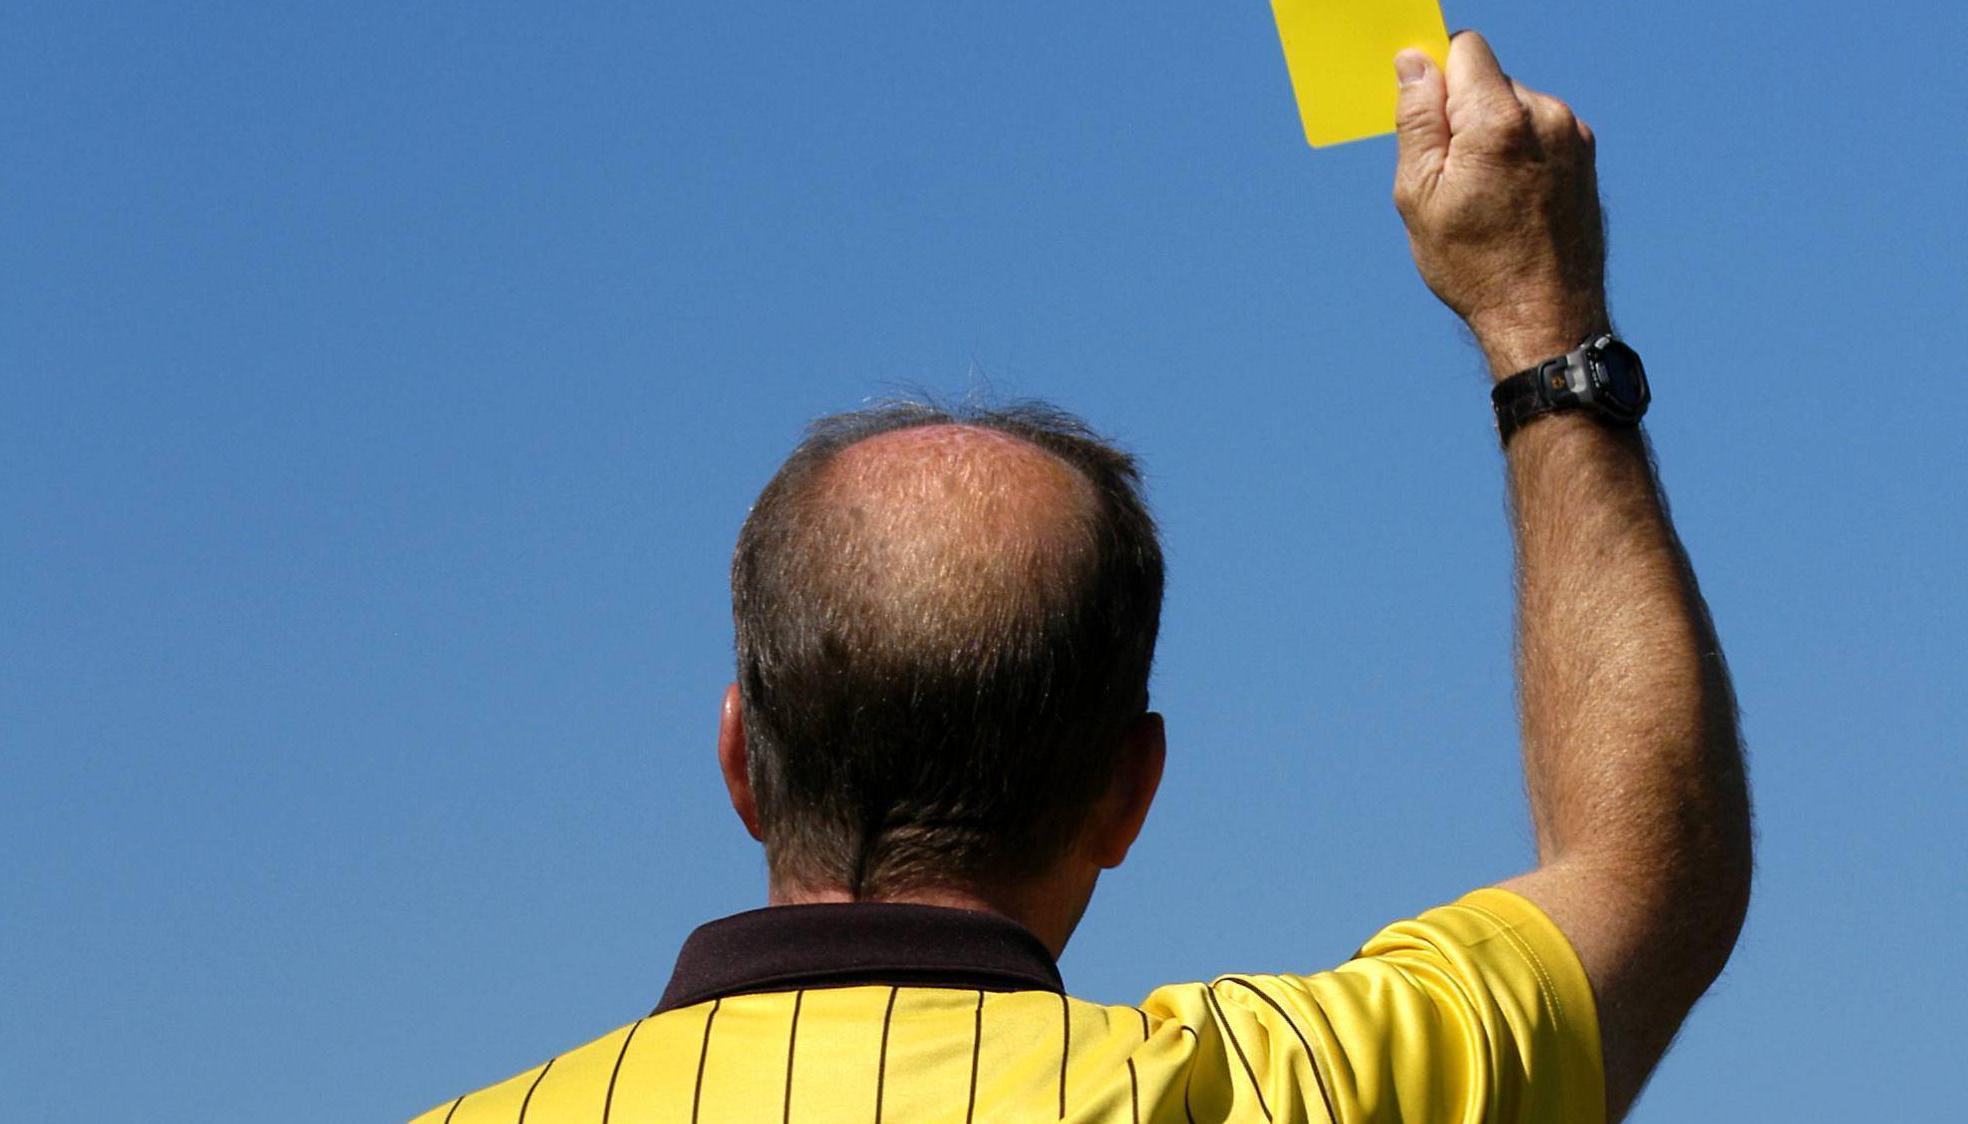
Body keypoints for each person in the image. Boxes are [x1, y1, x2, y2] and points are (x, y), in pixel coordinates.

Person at [414, 31, 1750, 1124]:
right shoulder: (1276, 1093)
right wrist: (1537, 315)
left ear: (740, 762)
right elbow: (1648, 880)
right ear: (1128, 792)